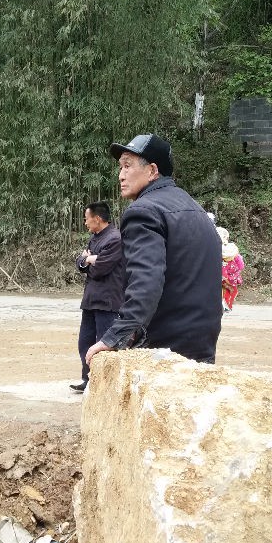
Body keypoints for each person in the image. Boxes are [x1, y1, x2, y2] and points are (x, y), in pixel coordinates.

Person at [85, 133, 222, 366]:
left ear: (152, 171)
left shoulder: (144, 211)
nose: (121, 175)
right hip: (202, 341)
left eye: (127, 166)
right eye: (120, 167)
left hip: (164, 344)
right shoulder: (194, 208)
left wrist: (117, 335)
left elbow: (146, 279)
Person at [69, 202, 125, 393]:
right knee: (85, 342)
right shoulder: (95, 238)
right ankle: (89, 380)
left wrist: (91, 261)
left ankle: (104, 386)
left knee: (104, 344)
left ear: (98, 219)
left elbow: (100, 269)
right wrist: (88, 260)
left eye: (87, 219)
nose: (85, 222)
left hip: (107, 301)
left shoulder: (115, 239)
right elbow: (80, 263)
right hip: (91, 299)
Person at [217, 226, 245, 312]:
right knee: (231, 291)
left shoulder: (214, 250)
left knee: (221, 291)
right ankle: (227, 306)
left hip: (219, 276)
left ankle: (222, 305)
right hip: (230, 278)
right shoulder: (232, 250)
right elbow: (241, 265)